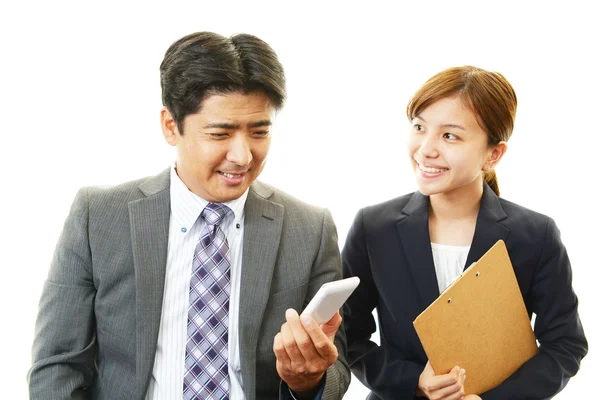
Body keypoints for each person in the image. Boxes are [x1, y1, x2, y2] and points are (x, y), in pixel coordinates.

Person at [28, 31, 350, 400]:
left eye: (259, 132)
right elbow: (58, 366)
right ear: (171, 126)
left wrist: (307, 381)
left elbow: (337, 371)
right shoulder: (98, 217)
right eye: (219, 134)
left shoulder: (310, 229)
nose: (243, 156)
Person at [341, 66, 587, 399]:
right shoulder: (374, 228)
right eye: (419, 127)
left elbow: (565, 344)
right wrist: (413, 379)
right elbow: (348, 335)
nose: (426, 149)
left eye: (449, 135)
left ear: (493, 154)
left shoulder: (536, 236)